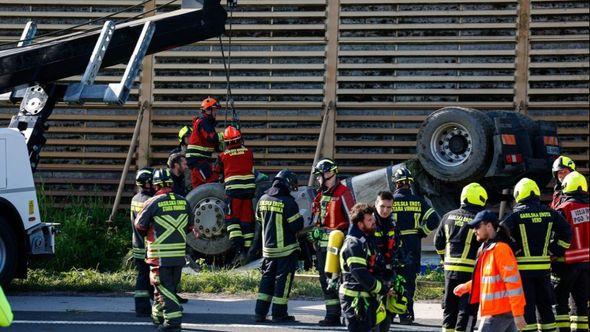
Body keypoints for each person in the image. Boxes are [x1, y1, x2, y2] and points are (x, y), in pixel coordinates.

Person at [501, 178, 572, 332]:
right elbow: (567, 232)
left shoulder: (515, 216)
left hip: (523, 271)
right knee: (545, 308)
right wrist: (555, 251)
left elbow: (500, 233)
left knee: (528, 308)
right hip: (544, 270)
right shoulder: (549, 213)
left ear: (518, 194)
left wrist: (515, 250)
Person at [135, 168, 195, 332]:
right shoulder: (184, 201)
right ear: (171, 183)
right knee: (166, 288)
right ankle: (158, 317)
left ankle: (172, 324)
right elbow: (190, 226)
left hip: (159, 256)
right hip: (178, 256)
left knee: (164, 289)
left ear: (155, 185)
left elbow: (139, 225)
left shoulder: (152, 203)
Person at [454, 210, 527, 332]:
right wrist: (467, 286)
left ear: (488, 226)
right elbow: (488, 280)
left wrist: (518, 314)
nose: (474, 231)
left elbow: (513, 284)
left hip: (499, 312)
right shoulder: (488, 249)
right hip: (500, 311)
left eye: (477, 226)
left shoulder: (500, 249)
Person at [435, 183, 488, 332]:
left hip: (449, 270)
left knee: (449, 308)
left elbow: (437, 242)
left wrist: (443, 259)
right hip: (471, 272)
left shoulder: (447, 216)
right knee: (467, 310)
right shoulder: (480, 221)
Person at [309, 158, 355, 326]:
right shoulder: (320, 195)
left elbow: (353, 220)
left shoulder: (343, 192)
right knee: (326, 280)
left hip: (338, 247)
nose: (318, 180)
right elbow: (317, 219)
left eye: (320, 176)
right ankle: (332, 315)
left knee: (343, 280)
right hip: (321, 248)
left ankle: (348, 314)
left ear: (329, 174)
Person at [254, 169, 304, 323]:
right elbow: (296, 226)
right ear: (287, 184)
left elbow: (259, 220)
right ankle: (279, 314)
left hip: (268, 251)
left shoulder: (262, 199)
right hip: (286, 251)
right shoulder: (288, 202)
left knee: (266, 281)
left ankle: (260, 313)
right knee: (283, 283)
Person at [392, 167, 440, 324]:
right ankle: (407, 314)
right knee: (409, 279)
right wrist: (422, 231)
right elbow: (434, 219)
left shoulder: (390, 201)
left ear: (396, 184)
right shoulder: (419, 202)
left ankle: (391, 312)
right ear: (409, 184)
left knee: (392, 278)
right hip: (413, 244)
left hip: (394, 245)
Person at [339, 203, 394, 331]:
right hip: (355, 299)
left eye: (373, 219)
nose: (373, 222)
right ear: (360, 224)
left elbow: (376, 266)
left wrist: (388, 279)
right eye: (369, 220)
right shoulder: (353, 244)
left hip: (369, 297)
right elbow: (360, 274)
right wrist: (383, 289)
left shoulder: (368, 240)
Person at [552, 171, 589, 332]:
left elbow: (555, 236)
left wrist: (552, 253)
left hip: (565, 265)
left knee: (560, 302)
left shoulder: (562, 209)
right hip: (587, 265)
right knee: (581, 304)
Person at [215, 125, 257, 265]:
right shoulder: (249, 152)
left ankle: (239, 252)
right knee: (247, 222)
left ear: (226, 143)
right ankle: (249, 252)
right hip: (249, 192)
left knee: (232, 222)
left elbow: (216, 171)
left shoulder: (223, 155)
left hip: (233, 193)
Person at [130, 167, 155, 317]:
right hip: (147, 246)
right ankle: (142, 308)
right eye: (152, 182)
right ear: (146, 183)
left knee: (143, 275)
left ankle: (147, 303)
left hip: (137, 244)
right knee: (145, 277)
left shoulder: (135, 198)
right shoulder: (149, 201)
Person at [186, 97, 224, 189]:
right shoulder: (203, 122)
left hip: (199, 161)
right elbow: (211, 137)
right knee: (211, 182)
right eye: (214, 110)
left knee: (198, 188)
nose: (216, 113)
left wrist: (222, 145)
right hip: (198, 161)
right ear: (208, 110)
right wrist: (225, 135)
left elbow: (213, 144)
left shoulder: (207, 124)